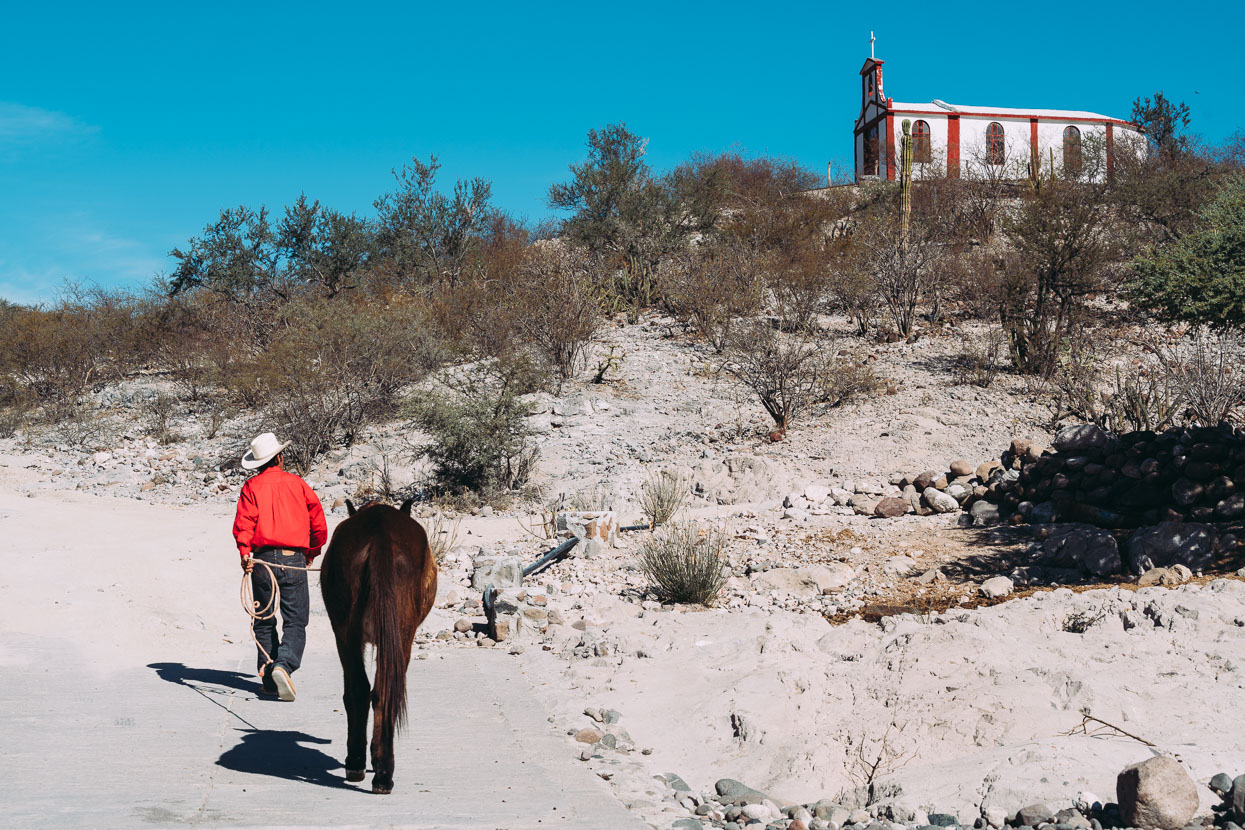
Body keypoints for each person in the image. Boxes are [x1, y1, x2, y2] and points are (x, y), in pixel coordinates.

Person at [232, 432, 327, 701]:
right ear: (280, 458)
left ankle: (269, 680)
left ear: (258, 464)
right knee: (296, 620)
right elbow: (318, 524)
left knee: (263, 618)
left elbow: (244, 525)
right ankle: (283, 665)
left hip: (261, 561)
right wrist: (311, 553)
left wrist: (244, 553)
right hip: (292, 559)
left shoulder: (251, 488)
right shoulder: (297, 484)